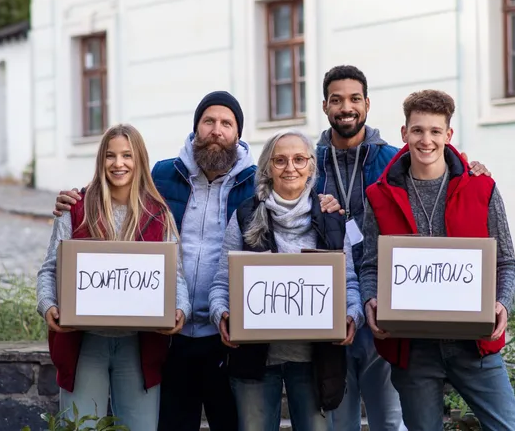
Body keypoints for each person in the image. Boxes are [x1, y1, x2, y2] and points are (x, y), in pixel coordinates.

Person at [52, 91, 341, 430]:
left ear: (238, 134)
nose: (217, 130)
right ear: (196, 129)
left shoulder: (255, 186)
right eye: (209, 121)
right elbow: (118, 182)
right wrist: (75, 198)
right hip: (171, 334)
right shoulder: (162, 175)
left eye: (226, 123)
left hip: (227, 338)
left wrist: (324, 202)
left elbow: (291, 195)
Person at [316, 65, 491, 431]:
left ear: (366, 103)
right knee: (336, 415)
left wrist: (472, 170)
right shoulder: (308, 163)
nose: (345, 107)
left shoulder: (395, 160)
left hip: (388, 305)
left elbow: (441, 171)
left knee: (389, 418)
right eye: (336, 100)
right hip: (328, 306)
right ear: (325, 106)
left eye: (353, 99)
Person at [360, 90, 515, 431]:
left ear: (448, 135)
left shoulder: (483, 188)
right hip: (413, 348)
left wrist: (502, 304)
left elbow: (506, 261)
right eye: (418, 130)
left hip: (474, 345)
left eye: (435, 131)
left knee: (507, 427)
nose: (426, 140)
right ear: (404, 133)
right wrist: (370, 299)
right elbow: (371, 264)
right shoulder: (378, 195)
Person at [36, 124, 191, 430]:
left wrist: (180, 309)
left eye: (126, 155)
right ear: (100, 160)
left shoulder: (158, 214)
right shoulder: (76, 208)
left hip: (139, 345)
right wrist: (47, 303)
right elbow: (50, 268)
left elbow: (177, 276)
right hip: (84, 343)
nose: (118, 163)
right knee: (81, 425)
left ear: (140, 161)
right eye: (110, 156)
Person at [209, 129, 364, 431]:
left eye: (298, 159)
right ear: (267, 167)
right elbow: (221, 284)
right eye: (280, 160)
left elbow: (350, 284)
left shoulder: (333, 220)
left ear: (311, 167)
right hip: (255, 360)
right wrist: (221, 314)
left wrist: (351, 316)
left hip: (315, 361)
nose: (290, 167)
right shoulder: (245, 216)